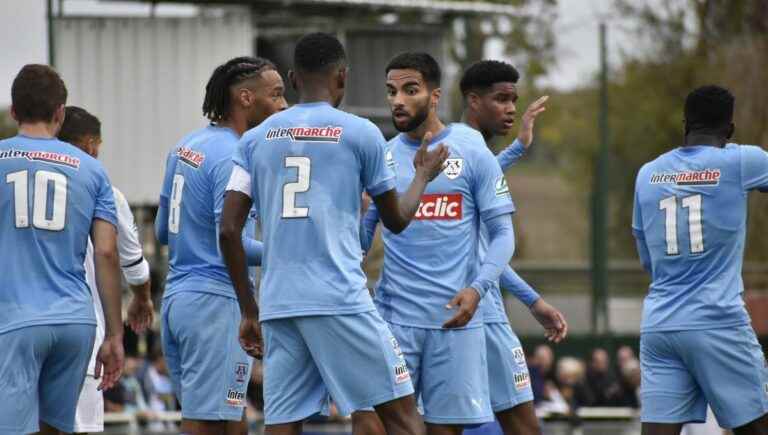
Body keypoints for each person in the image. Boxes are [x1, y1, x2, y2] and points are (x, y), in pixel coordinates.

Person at [219, 33, 448, 435]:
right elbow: (395, 220)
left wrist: (248, 309)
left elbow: (228, 230)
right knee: (403, 416)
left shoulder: (254, 140)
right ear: (342, 77)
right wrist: (423, 176)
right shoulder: (361, 134)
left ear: (292, 78)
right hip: (339, 297)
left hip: (278, 303)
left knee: (283, 424)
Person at [354, 52, 516, 435]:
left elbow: (503, 235)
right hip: (393, 320)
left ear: (435, 95)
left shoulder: (472, 150)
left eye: (411, 90)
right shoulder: (383, 155)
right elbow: (362, 241)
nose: (398, 100)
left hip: (454, 323)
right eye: (391, 91)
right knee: (368, 423)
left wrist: (478, 290)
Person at [155, 56, 285, 435]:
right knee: (206, 421)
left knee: (228, 416)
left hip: (178, 300)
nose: (283, 106)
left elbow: (163, 231)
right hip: (216, 302)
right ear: (246, 98)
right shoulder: (234, 154)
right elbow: (229, 238)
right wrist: (285, 250)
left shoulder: (186, 145)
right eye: (276, 95)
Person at [633, 85, 768, 434]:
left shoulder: (647, 173)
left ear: (684, 124)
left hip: (660, 324)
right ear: (730, 130)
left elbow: (647, 257)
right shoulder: (741, 161)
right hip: (717, 320)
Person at [0, 64, 123, 434]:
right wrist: (115, 334)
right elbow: (105, 254)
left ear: (14, 112)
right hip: (76, 321)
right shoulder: (93, 171)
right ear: (60, 113)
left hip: (16, 319)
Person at [459, 59, 568, 434]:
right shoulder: (466, 152)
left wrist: (519, 147)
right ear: (473, 101)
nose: (510, 109)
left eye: (513, 100)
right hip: (479, 312)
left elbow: (481, 174)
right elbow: (490, 249)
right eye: (501, 99)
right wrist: (534, 301)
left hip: (440, 310)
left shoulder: (455, 152)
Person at [57, 106, 155, 434]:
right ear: (91, 146)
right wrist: (142, 298)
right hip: (83, 334)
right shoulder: (105, 192)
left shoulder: (16, 187)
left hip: (20, 330)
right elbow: (124, 259)